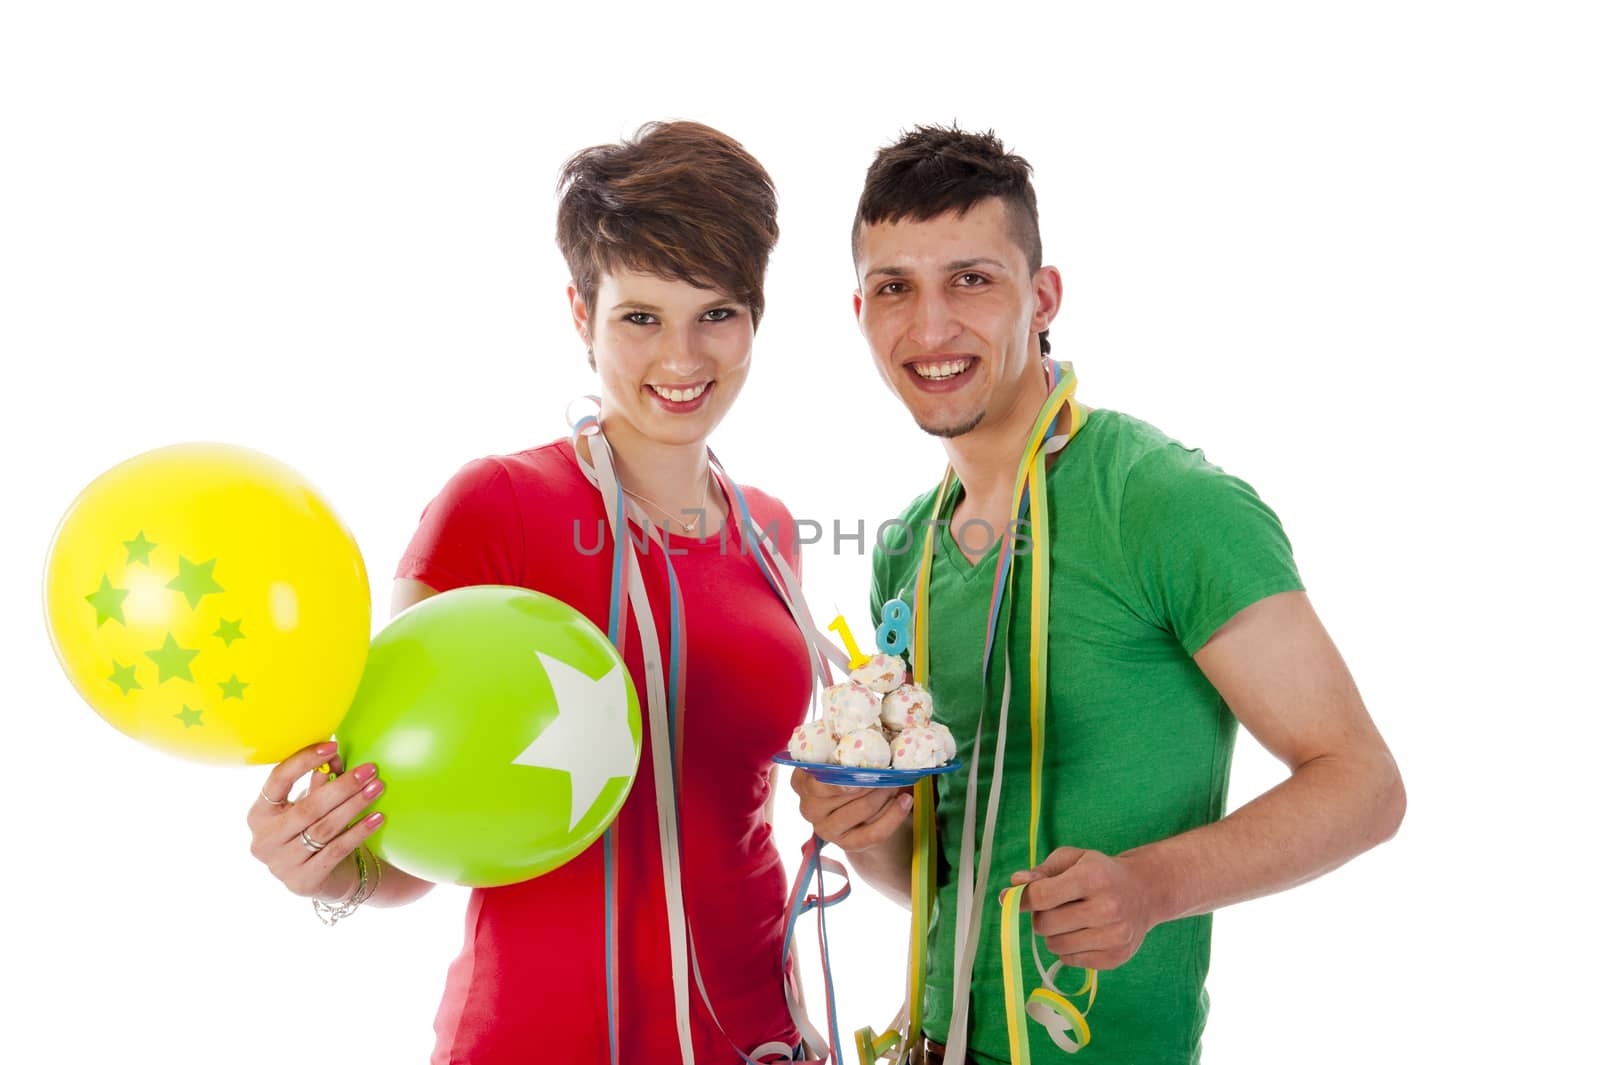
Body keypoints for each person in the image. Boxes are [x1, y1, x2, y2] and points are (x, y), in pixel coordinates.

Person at [793, 126, 1407, 1064]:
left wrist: (1152, 886)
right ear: (861, 311)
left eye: (971, 279)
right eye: (895, 288)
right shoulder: (906, 551)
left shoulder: (1167, 501)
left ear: (1042, 299)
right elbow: (943, 876)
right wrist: (865, 828)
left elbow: (1364, 784)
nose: (929, 328)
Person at [245, 120, 819, 1064]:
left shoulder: (771, 527)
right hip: (533, 1040)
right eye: (640, 316)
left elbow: (747, 808)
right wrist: (327, 865)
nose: (681, 357)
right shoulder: (495, 506)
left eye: (715, 312)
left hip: (759, 1036)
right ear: (579, 312)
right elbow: (412, 837)